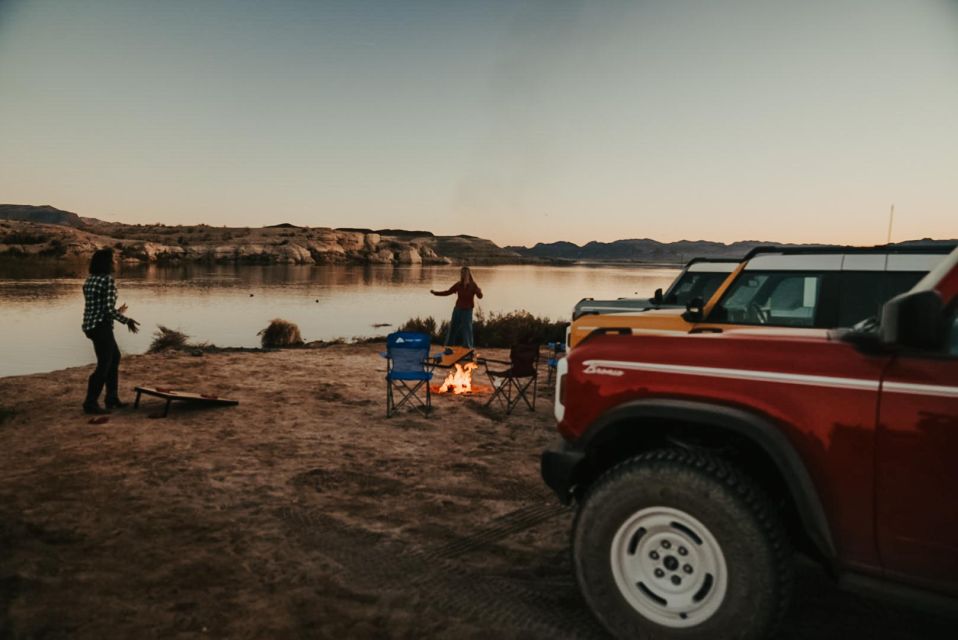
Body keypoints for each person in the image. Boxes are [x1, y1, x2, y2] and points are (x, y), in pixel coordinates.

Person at [81, 248, 140, 414]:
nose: (115, 262)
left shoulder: (90, 280)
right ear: (106, 263)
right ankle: (90, 403)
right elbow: (107, 310)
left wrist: (118, 311)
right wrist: (126, 320)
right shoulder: (107, 280)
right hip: (101, 327)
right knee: (104, 365)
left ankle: (111, 398)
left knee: (114, 358)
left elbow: (97, 307)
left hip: (90, 326)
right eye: (112, 260)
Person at [430, 266, 483, 348]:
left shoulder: (473, 285)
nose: (463, 275)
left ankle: (468, 348)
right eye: (462, 273)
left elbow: (480, 296)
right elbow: (448, 292)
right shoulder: (458, 285)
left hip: (467, 310)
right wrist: (436, 293)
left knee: (467, 329)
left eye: (465, 273)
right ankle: (449, 346)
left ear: (469, 274)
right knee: (453, 327)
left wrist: (479, 292)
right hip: (458, 309)